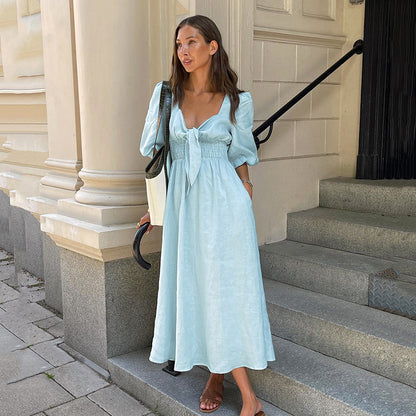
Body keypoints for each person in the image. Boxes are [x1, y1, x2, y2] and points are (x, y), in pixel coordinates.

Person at [138, 15, 275, 416]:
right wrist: (154, 206)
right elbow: (158, 155)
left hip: (226, 206)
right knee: (197, 288)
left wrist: (245, 195)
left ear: (212, 46)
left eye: (192, 42)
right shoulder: (166, 96)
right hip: (184, 206)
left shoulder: (237, 101)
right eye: (179, 43)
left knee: (225, 292)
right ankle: (217, 375)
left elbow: (240, 158)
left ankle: (247, 397)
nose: (183, 50)